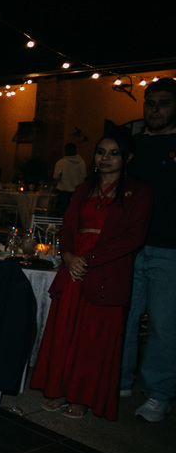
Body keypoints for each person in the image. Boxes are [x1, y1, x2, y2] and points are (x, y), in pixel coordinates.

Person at [32, 134, 151, 419]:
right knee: (65, 330)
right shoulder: (83, 188)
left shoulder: (139, 192)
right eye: (100, 152)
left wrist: (88, 259)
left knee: (95, 336)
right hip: (74, 265)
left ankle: (83, 396)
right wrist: (68, 256)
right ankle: (59, 387)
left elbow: (134, 237)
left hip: (108, 268)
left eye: (114, 153)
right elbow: (67, 228)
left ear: (127, 157)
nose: (105, 158)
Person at [122, 78, 176, 421]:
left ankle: (158, 394)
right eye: (150, 103)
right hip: (131, 247)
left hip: (170, 249)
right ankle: (120, 380)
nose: (155, 110)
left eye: (164, 103)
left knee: (162, 325)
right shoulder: (134, 146)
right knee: (124, 317)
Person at [52, 142, 87, 217]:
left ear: (65, 150)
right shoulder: (82, 162)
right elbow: (84, 176)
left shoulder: (61, 163)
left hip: (64, 193)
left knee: (64, 215)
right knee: (76, 215)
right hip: (78, 193)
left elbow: (56, 177)